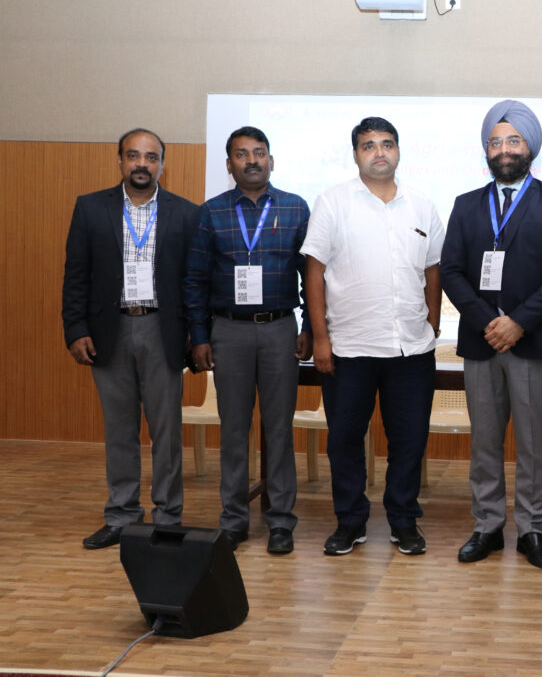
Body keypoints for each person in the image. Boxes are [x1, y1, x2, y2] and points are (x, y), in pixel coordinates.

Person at [441, 100, 542, 569]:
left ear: (530, 148)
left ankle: (532, 529)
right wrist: (489, 321)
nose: (504, 150)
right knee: (484, 440)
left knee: (533, 442)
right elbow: (451, 271)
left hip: (533, 341)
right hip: (481, 342)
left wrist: (519, 321)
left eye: (513, 141)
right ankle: (487, 526)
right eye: (495, 142)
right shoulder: (465, 205)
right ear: (486, 150)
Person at [302, 117, 442, 558]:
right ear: (356, 154)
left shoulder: (422, 205)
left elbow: (433, 270)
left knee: (409, 441)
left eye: (386, 144)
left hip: (411, 348)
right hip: (349, 347)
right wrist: (320, 338)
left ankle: (403, 521)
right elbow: (314, 273)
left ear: (398, 151)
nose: (379, 152)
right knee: (344, 440)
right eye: (369, 145)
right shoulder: (333, 202)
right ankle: (350, 522)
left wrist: (433, 323)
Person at [62, 128, 199, 549]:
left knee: (166, 430)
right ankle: (121, 516)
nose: (142, 164)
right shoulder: (90, 208)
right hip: (110, 330)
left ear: (162, 164)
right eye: (134, 156)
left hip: (162, 329)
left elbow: (193, 281)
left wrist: (197, 335)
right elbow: (76, 275)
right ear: (120, 160)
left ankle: (168, 517)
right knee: (120, 429)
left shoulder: (186, 213)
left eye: (151, 157)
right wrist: (76, 329)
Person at [184, 126, 311, 555]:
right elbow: (195, 279)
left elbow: (312, 276)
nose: (252, 160)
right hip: (229, 331)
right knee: (234, 429)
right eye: (242, 154)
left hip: (279, 329)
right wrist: (199, 336)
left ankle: (281, 522)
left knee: (279, 429)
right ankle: (234, 520)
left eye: (259, 153)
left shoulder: (295, 208)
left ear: (271, 160)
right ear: (229, 164)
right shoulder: (211, 212)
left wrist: (309, 328)